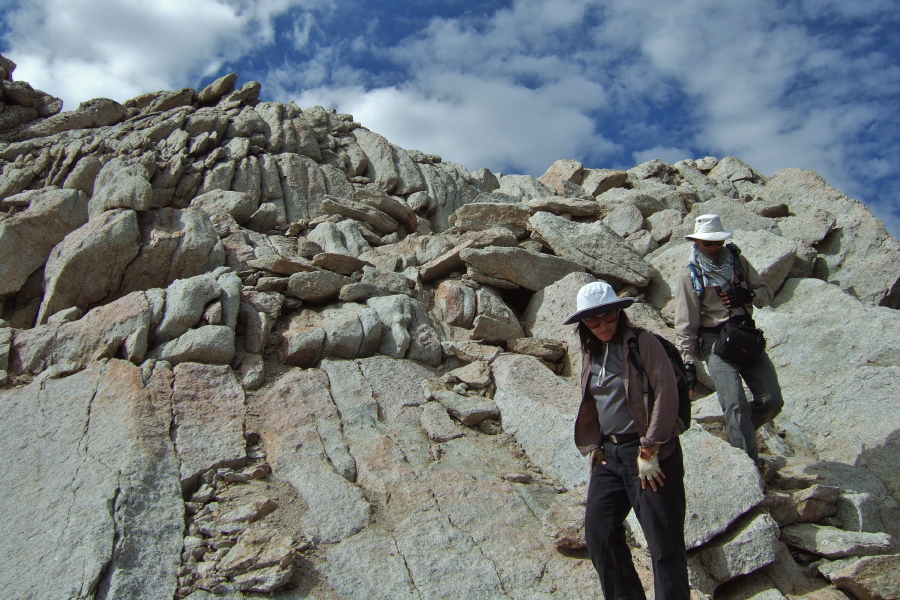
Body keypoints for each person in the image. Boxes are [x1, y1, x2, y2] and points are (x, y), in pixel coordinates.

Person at [566, 280, 689, 600]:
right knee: (600, 536)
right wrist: (594, 446)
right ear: (583, 324)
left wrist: (651, 447)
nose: (602, 325)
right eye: (593, 321)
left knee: (664, 545)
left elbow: (666, 391)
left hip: (650, 453)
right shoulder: (591, 350)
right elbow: (593, 401)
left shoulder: (643, 342)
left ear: (619, 314)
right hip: (610, 455)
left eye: (608, 317)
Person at [674, 214, 784, 462]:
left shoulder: (739, 263)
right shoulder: (688, 276)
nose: (713, 248)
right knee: (734, 402)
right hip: (716, 342)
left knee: (772, 400)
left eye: (717, 243)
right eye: (708, 243)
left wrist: (747, 296)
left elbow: (766, 293)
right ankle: (748, 462)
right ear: (696, 242)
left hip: (745, 336)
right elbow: (686, 324)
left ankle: (738, 431)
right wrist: (688, 362)